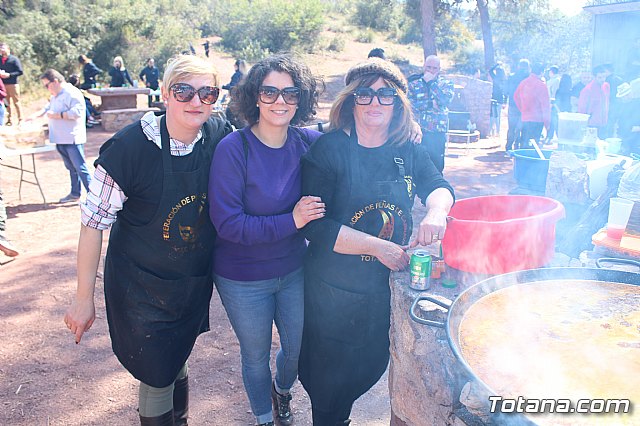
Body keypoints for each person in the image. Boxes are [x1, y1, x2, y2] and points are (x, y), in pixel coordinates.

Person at [63, 54, 232, 425]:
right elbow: (93, 224)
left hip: (189, 280)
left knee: (177, 354)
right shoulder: (129, 150)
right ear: (165, 94)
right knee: (156, 373)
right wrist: (82, 299)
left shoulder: (220, 136)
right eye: (184, 90)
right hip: (139, 284)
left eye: (207, 92)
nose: (195, 101)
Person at [298, 58, 455, 425]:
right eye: (365, 94)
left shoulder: (409, 148)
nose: (374, 103)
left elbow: (439, 187)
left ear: (398, 102)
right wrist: (377, 246)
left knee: (367, 368)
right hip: (332, 291)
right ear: (351, 99)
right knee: (328, 390)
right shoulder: (329, 150)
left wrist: (435, 213)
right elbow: (315, 227)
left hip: (383, 290)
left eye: (386, 95)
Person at [209, 54, 325, 426]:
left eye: (290, 94)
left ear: (300, 100)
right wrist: (291, 220)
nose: (280, 101)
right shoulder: (234, 148)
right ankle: (264, 418)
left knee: (295, 350)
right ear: (255, 97)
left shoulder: (307, 142)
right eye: (270, 92)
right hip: (242, 277)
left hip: (293, 269)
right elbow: (229, 224)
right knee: (255, 355)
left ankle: (283, 392)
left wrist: (405, 131)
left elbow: (354, 137)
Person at [27, 69, 91, 203]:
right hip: (60, 138)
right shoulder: (55, 95)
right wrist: (33, 116)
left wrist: (57, 115)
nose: (46, 88)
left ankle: (94, 197)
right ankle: (75, 193)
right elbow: (47, 108)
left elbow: (77, 112)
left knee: (80, 168)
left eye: (47, 85)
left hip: (72, 138)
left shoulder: (71, 92)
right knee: (71, 168)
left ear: (55, 81)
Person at [408, 55, 454, 173]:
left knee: (437, 167)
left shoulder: (446, 84)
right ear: (424, 66)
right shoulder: (414, 84)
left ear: (439, 69)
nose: (431, 70)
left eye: (434, 68)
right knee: (415, 167)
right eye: (428, 67)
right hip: (418, 132)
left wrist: (432, 83)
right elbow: (409, 106)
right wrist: (430, 104)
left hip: (437, 133)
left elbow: (444, 101)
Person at [514, 62, 550, 148]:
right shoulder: (542, 85)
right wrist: (547, 124)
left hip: (525, 118)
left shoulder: (524, 82)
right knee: (533, 146)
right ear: (542, 72)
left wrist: (522, 110)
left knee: (524, 144)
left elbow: (516, 97)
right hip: (537, 120)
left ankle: (521, 160)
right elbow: (545, 107)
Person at [578, 65, 610, 139]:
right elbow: (582, 109)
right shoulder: (587, 90)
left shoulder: (606, 86)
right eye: (600, 77)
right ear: (594, 77)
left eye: (604, 77)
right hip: (591, 125)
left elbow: (607, 103)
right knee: (591, 147)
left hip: (604, 123)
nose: (603, 79)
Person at [505, 58, 530, 151]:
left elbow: (506, 90)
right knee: (523, 128)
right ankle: (518, 147)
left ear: (518, 66)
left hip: (513, 104)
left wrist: (505, 99)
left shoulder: (512, 76)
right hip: (525, 106)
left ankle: (508, 147)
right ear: (528, 67)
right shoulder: (528, 77)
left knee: (511, 127)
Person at [0, 43, 23, 126]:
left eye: (3, 48)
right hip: (3, 86)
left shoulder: (14, 59)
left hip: (13, 84)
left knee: (16, 102)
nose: (2, 50)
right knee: (6, 103)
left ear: (8, 49)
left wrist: (9, 75)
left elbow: (20, 71)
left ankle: (20, 119)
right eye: (1, 49)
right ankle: (9, 120)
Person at [221, 59, 248, 128]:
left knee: (229, 114)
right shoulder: (246, 75)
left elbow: (232, 86)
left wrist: (223, 86)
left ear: (237, 66)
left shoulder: (237, 75)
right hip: (243, 100)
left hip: (235, 98)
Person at [488, 63, 507, 138]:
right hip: (500, 100)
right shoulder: (504, 80)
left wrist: (496, 64)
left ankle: (490, 131)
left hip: (493, 98)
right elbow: (505, 93)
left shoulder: (495, 78)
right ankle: (497, 132)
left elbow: (490, 70)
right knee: (498, 116)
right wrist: (505, 102)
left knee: (492, 116)